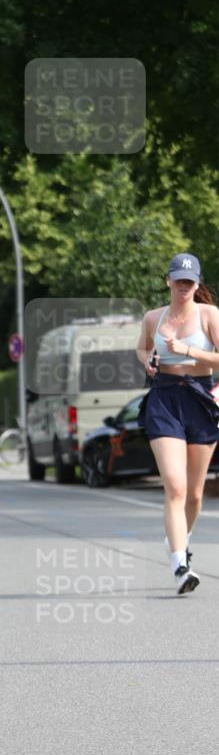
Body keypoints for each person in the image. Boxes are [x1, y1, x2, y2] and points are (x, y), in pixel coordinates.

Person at [136, 253, 219, 594]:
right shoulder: (153, 317)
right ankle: (179, 565)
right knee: (175, 486)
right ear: (168, 281)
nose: (184, 287)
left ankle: (180, 539)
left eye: (190, 282)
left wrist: (188, 351)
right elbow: (140, 349)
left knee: (195, 495)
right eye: (178, 281)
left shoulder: (209, 315)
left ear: (197, 284)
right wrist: (149, 362)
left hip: (200, 398)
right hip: (165, 398)